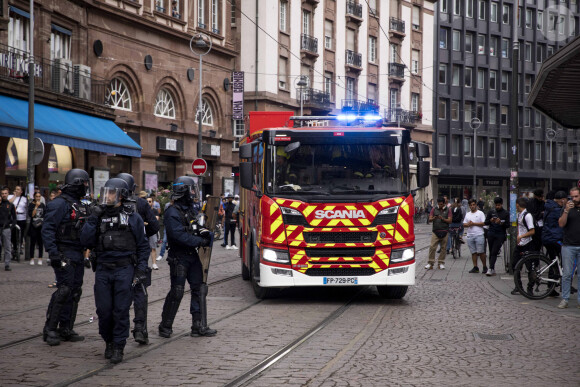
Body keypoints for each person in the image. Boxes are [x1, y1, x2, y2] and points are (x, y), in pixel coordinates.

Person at [80, 178, 149, 363]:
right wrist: (93, 217)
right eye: (106, 192)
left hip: (124, 268)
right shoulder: (99, 215)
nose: (107, 196)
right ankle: (108, 340)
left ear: (121, 195)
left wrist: (141, 269)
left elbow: (143, 246)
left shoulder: (132, 217)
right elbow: (85, 241)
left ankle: (118, 345)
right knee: (104, 310)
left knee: (121, 309)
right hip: (103, 269)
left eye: (111, 193)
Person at [158, 177, 215, 338]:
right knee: (177, 291)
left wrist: (204, 232)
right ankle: (165, 326)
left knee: (199, 289)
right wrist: (200, 240)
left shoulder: (189, 210)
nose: (192, 193)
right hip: (179, 257)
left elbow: (194, 226)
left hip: (192, 255)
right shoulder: (172, 211)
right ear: (183, 191)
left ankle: (198, 325)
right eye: (190, 190)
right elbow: (178, 236)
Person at [42, 168, 90, 346]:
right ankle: (50, 329)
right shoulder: (59, 204)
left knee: (75, 291)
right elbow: (48, 230)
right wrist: (53, 253)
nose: (85, 187)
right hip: (64, 252)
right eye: (84, 183)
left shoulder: (80, 204)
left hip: (77, 252)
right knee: (64, 290)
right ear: (76, 183)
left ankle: (66, 327)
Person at [115, 172, 159, 345]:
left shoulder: (110, 202)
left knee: (117, 294)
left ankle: (118, 331)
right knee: (139, 292)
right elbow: (154, 226)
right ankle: (140, 329)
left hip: (115, 257)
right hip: (136, 255)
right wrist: (141, 234)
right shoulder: (140, 203)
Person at [557, 187, 580, 309]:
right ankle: (565, 299)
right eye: (572, 197)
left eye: (576, 196)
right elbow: (561, 224)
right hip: (568, 246)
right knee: (566, 274)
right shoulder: (566, 208)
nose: (574, 199)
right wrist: (566, 210)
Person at [510, 197, 536, 295]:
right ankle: (518, 286)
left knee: (530, 267)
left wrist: (521, 236)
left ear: (517, 205)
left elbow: (532, 231)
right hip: (520, 244)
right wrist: (518, 236)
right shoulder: (519, 214)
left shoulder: (527, 215)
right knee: (515, 265)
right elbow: (519, 227)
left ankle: (530, 289)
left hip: (528, 244)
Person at [484, 197, 510, 276]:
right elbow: (486, 222)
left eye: (499, 205)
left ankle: (490, 268)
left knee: (495, 251)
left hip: (500, 234)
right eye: (496, 205)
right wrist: (490, 220)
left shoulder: (505, 213)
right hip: (491, 233)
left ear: (501, 204)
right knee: (491, 251)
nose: (497, 206)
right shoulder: (491, 212)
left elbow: (508, 225)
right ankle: (492, 268)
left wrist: (501, 223)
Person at [425, 197, 451, 270]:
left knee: (443, 248)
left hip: (445, 231)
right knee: (432, 247)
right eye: (439, 204)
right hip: (435, 231)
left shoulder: (448, 210)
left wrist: (443, 219)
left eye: (441, 204)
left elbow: (450, 220)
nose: (440, 206)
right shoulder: (434, 209)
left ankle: (441, 263)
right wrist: (434, 218)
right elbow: (430, 219)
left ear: (444, 203)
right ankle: (430, 263)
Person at [463, 199, 487, 274]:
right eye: (471, 205)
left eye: (473, 205)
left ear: (476, 205)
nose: (472, 206)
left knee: (481, 252)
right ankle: (475, 267)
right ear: (469, 206)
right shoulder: (468, 214)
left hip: (479, 235)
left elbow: (484, 223)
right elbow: (464, 224)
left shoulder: (480, 213)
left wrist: (474, 223)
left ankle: (484, 267)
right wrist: (468, 224)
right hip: (470, 235)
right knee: (473, 252)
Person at [8, 185, 28, 260]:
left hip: (21, 218)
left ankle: (19, 247)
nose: (16, 190)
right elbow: (9, 203)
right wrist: (14, 196)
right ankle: (14, 248)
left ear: (21, 191)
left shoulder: (24, 199)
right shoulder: (10, 197)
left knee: (20, 234)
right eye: (15, 189)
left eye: (18, 189)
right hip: (13, 218)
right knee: (13, 234)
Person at [0, 187, 16, 271]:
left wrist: (11, 227)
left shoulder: (10, 205)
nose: (4, 195)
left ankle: (7, 264)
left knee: (7, 246)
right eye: (2, 193)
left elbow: (14, 218)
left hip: (6, 228)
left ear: (8, 194)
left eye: (5, 193)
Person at [28, 192, 46, 265]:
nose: (38, 198)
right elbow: (31, 215)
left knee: (40, 243)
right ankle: (32, 258)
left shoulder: (43, 205)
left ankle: (40, 258)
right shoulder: (31, 204)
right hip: (33, 226)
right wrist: (36, 206)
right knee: (32, 242)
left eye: (39, 196)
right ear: (34, 197)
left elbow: (44, 215)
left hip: (41, 226)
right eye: (36, 196)